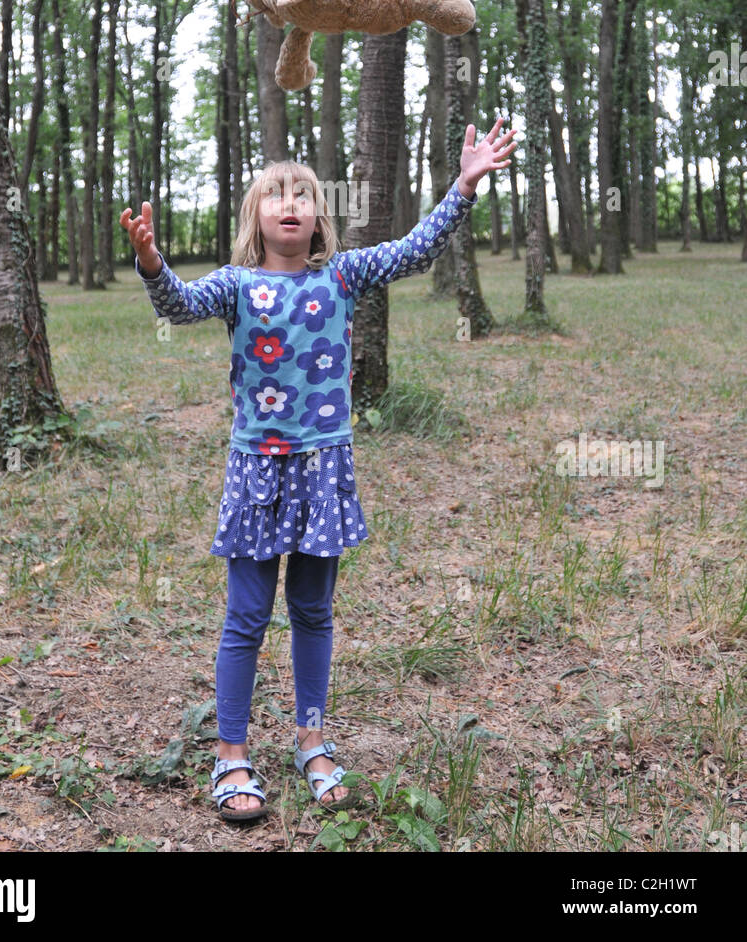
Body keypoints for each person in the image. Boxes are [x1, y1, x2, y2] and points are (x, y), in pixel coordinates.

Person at [121, 118, 518, 822]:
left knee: (311, 611)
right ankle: (231, 754)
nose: (290, 202)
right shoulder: (237, 285)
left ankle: (311, 739)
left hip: (322, 468)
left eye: (302, 192)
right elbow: (178, 308)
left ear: (316, 217)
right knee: (246, 618)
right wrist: (152, 262)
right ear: (256, 217)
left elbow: (413, 251)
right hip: (256, 469)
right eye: (275, 193)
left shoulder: (341, 275)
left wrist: (461, 187)